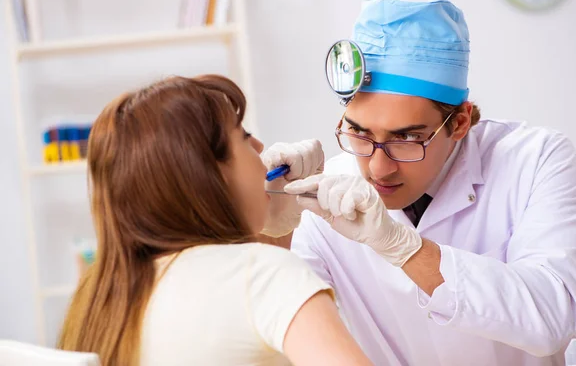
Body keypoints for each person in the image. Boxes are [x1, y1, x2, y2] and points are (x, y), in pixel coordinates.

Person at [262, 0, 576, 365]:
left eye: (406, 139)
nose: (378, 168)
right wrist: (272, 222)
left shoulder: (537, 159)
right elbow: (281, 324)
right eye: (359, 132)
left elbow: (550, 318)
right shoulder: (328, 195)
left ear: (459, 122)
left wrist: (402, 248)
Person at [57, 75, 373, 366]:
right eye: (243, 136)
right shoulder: (265, 274)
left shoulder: (97, 294)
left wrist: (270, 229)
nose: (260, 147)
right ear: (211, 174)